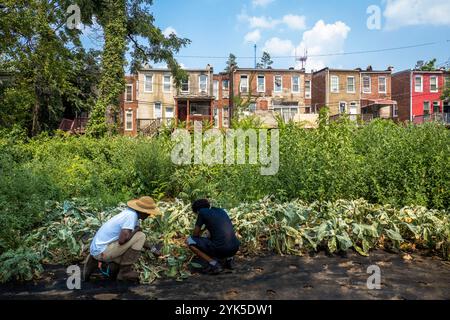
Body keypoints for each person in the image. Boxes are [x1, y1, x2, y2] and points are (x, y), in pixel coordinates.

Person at [83, 196, 160, 282]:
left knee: (138, 235)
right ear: (142, 211)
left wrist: (153, 249)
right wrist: (136, 230)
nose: (149, 215)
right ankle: (124, 271)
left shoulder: (128, 213)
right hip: (103, 252)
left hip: (97, 249)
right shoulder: (131, 216)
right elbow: (122, 241)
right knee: (141, 235)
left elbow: (131, 238)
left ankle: (110, 266)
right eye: (148, 213)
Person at [186, 199, 240, 274]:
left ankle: (214, 264)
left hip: (221, 249)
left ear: (197, 211)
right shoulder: (221, 211)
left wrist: (203, 229)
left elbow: (195, 235)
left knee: (190, 240)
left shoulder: (202, 212)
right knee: (221, 239)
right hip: (235, 247)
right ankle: (229, 260)